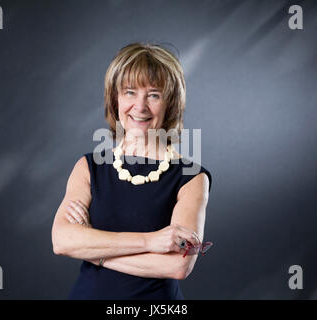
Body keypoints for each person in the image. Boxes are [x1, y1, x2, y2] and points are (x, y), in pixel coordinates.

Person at [51, 43, 213, 299]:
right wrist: (150, 242)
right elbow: (62, 241)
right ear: (114, 99)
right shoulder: (89, 167)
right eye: (129, 92)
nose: (140, 106)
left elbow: (179, 264)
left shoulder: (192, 178)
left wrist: (96, 252)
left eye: (154, 95)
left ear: (170, 103)